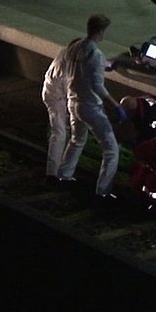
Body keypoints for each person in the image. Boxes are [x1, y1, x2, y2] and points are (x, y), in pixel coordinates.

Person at [57, 14, 127, 202]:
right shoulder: (96, 54)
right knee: (111, 149)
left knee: (77, 140)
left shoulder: (74, 48)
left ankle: (63, 176)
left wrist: (106, 66)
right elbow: (97, 85)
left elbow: (82, 69)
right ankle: (103, 191)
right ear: (101, 31)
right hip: (90, 107)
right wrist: (116, 106)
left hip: (73, 103)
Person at [41, 37, 81, 187]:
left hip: (53, 94)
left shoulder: (65, 53)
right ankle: (53, 175)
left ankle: (58, 171)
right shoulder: (68, 70)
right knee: (59, 133)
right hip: (56, 97)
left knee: (61, 132)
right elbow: (71, 93)